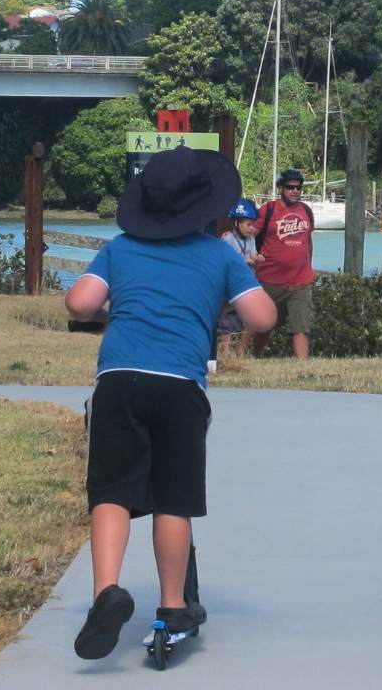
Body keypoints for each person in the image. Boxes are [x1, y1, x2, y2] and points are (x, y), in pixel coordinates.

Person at [64, 146, 277, 660]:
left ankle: (106, 593)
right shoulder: (219, 255)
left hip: (118, 380)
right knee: (172, 500)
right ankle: (173, 606)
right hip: (180, 386)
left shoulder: (119, 249)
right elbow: (264, 317)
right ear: (205, 207)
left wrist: (116, 307)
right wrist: (217, 306)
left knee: (111, 492)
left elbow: (79, 303)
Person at [250, 169, 317, 360]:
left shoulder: (306, 211)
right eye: (290, 187)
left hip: (301, 281)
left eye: (298, 188)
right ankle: (254, 358)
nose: (295, 191)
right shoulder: (268, 210)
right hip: (270, 280)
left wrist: (309, 267)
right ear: (280, 189)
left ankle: (303, 367)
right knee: (264, 325)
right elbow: (249, 236)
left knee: (301, 327)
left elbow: (308, 242)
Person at [216, 200, 263, 363]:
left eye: (252, 225)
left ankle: (240, 351)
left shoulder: (250, 239)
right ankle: (225, 353)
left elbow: (253, 254)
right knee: (227, 320)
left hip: (246, 284)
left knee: (251, 318)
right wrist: (246, 262)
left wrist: (258, 258)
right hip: (231, 286)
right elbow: (225, 261)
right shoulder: (228, 239)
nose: (252, 228)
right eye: (248, 225)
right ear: (237, 223)